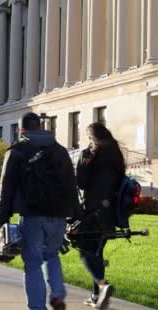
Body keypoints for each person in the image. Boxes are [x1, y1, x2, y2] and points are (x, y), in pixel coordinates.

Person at [0, 112, 78, 310]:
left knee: (32, 263)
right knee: (52, 254)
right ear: (40, 127)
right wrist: (75, 213)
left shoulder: (16, 151)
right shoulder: (60, 151)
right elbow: (70, 183)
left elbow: (7, 186)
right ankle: (57, 294)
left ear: (21, 130)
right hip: (58, 215)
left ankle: (37, 307)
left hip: (31, 215)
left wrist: (2, 217)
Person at [75, 123, 124, 309]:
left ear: (91, 137)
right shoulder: (116, 154)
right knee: (97, 252)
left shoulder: (89, 154)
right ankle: (96, 296)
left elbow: (81, 182)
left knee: (85, 250)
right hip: (110, 211)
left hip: (91, 211)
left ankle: (102, 285)